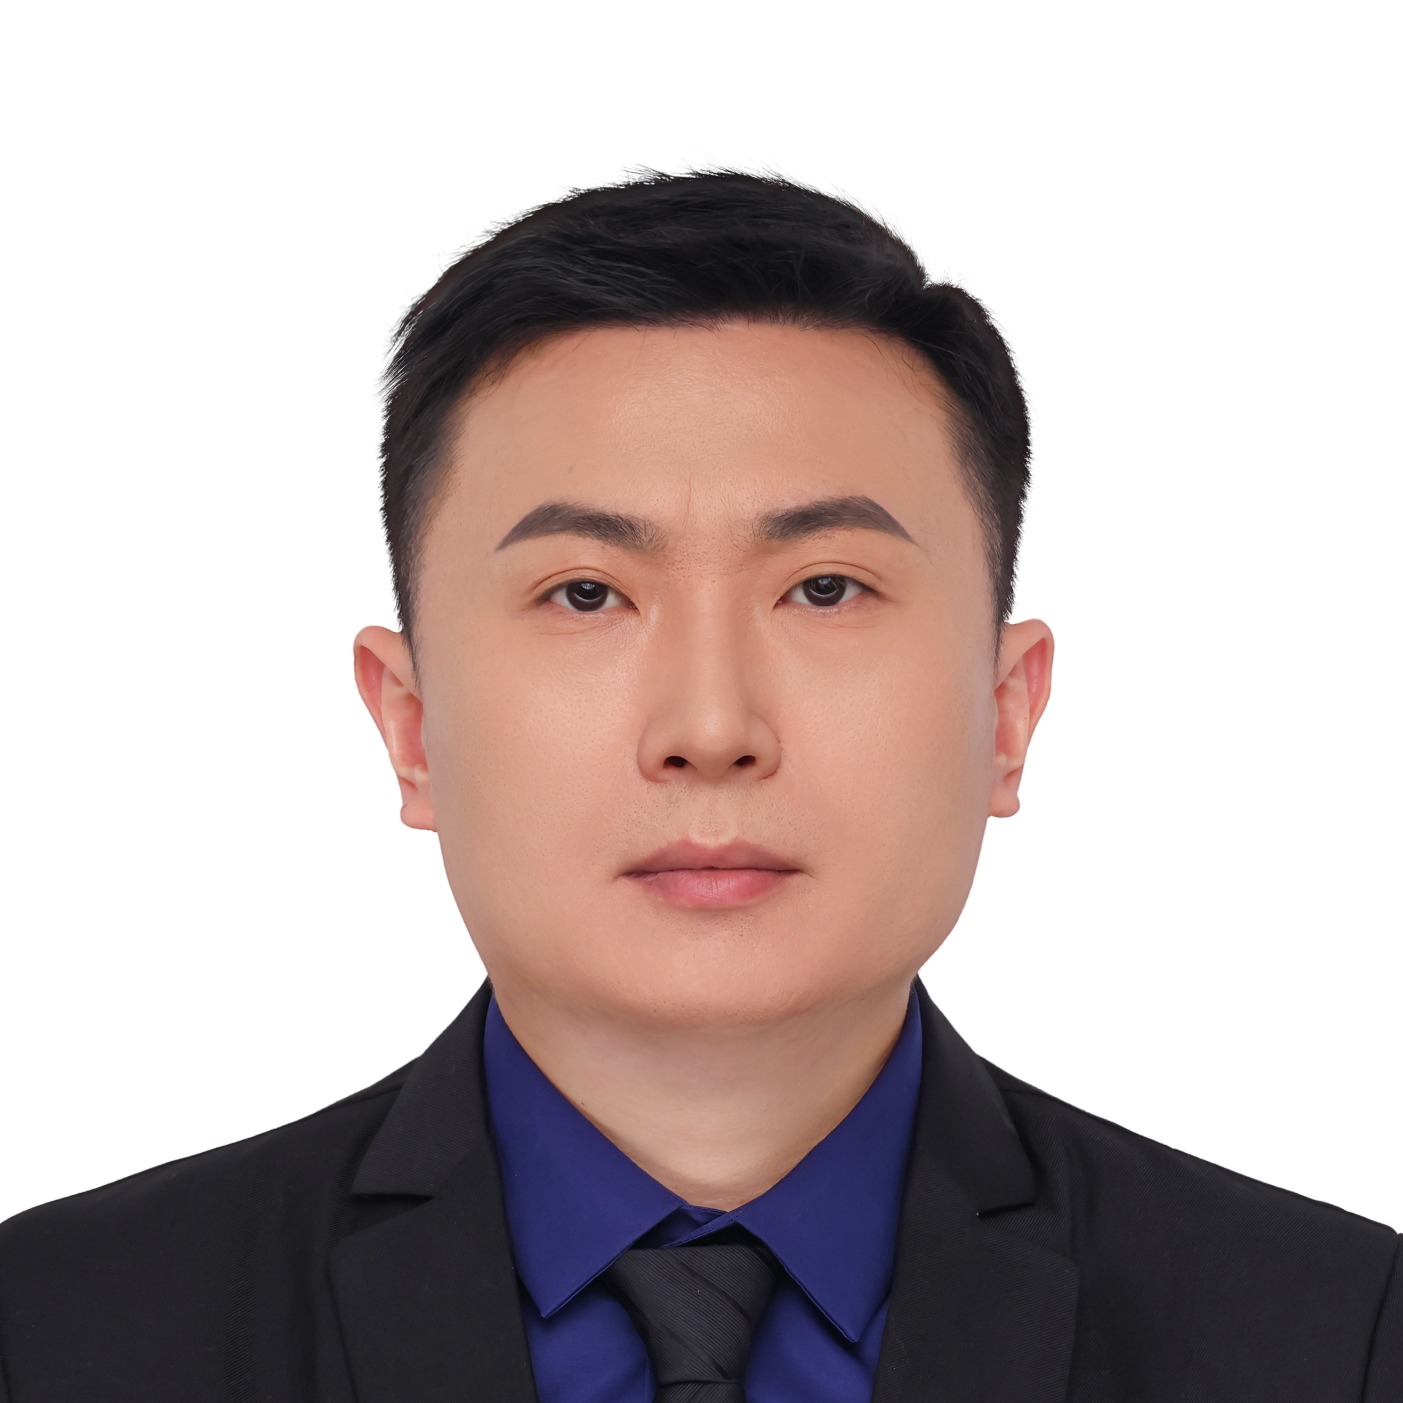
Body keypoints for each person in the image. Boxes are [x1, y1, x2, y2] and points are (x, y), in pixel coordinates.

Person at [0, 168, 1397, 1402]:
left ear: (1005, 714)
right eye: (587, 592)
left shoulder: (1337, 1340)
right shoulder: (59, 1335)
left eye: (827, 587)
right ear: (412, 726)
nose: (712, 728)